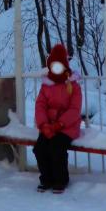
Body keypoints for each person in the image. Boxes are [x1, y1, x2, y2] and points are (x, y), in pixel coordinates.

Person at [33, 43, 82, 193]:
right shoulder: (46, 85)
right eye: (53, 66)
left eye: (59, 66)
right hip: (48, 126)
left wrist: (59, 124)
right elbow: (40, 105)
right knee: (40, 148)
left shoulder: (73, 86)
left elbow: (75, 110)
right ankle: (46, 179)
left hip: (67, 126)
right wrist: (43, 125)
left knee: (56, 147)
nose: (56, 69)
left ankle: (60, 179)